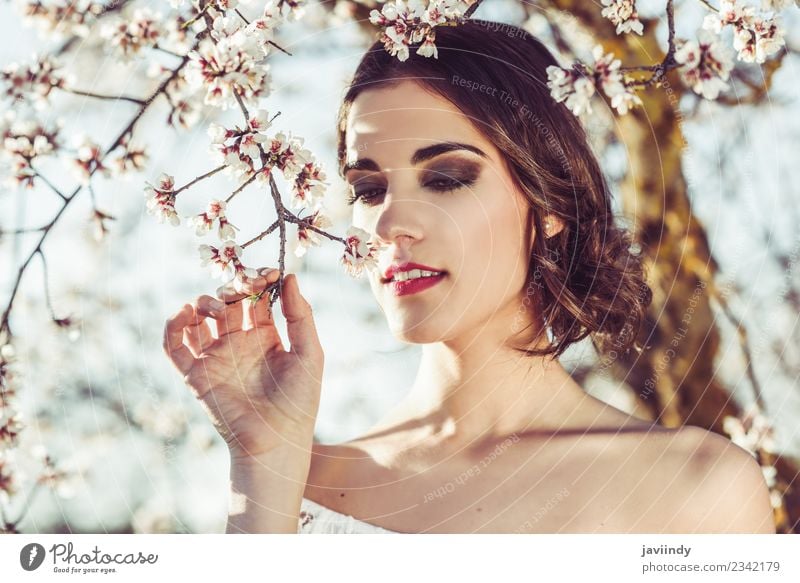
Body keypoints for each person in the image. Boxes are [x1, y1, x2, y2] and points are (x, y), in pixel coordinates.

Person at [163, 19, 775, 534]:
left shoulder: (700, 490)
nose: (391, 223)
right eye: (369, 188)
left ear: (550, 200)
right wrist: (264, 462)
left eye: (447, 177)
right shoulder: (299, 480)